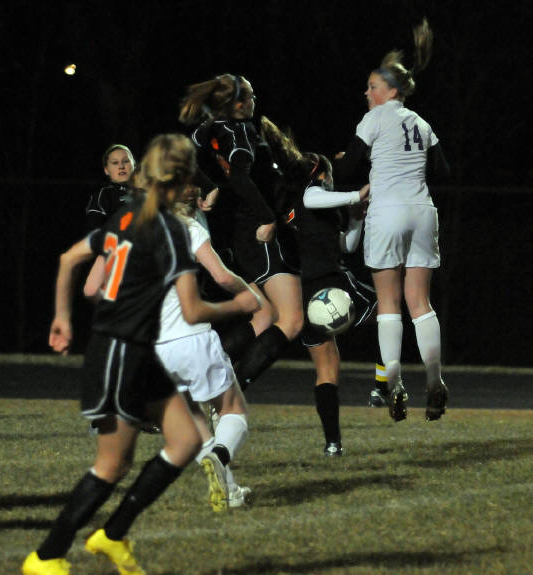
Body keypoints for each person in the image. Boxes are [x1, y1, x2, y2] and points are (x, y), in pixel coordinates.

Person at [21, 134, 260, 575]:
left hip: (140, 349)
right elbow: (193, 309)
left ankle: (111, 536)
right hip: (120, 352)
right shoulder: (172, 231)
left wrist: (63, 318)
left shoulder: (127, 216)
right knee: (112, 465)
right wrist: (241, 304)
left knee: (187, 441)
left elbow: (71, 260)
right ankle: (46, 556)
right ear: (181, 181)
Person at [334, 19, 451, 422]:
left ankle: (395, 384)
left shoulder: (375, 119)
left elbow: (348, 168)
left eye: (373, 87)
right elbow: (443, 170)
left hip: (386, 211)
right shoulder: (421, 122)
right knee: (421, 303)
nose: (367, 93)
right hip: (422, 211)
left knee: (389, 302)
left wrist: (343, 163)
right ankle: (435, 381)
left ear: (391, 92)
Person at [179, 74, 304, 391]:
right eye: (248, 95)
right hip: (259, 231)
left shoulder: (210, 128)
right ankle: (223, 396)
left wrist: (209, 186)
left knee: (263, 316)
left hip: (239, 232)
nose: (253, 100)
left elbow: (183, 155)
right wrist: (267, 218)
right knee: (291, 321)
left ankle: (198, 382)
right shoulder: (241, 130)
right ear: (236, 103)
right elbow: (239, 176)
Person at [260, 116, 373, 456]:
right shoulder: (309, 197)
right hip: (328, 283)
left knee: (328, 368)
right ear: (322, 174)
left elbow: (346, 245)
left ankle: (333, 443)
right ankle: (385, 382)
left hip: (310, 291)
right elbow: (313, 197)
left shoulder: (312, 209)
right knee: (389, 308)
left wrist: (356, 219)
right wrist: (356, 194)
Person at [155, 188, 253, 511]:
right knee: (233, 410)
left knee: (193, 417)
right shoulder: (189, 227)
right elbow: (222, 277)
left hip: (155, 347)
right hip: (191, 336)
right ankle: (220, 456)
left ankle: (230, 491)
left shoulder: (138, 231)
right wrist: (250, 295)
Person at [84, 144, 136, 299]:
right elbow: (94, 232)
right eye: (115, 163)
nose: (121, 166)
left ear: (134, 165)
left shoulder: (149, 193)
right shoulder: (104, 195)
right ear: (106, 170)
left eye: (126, 161)